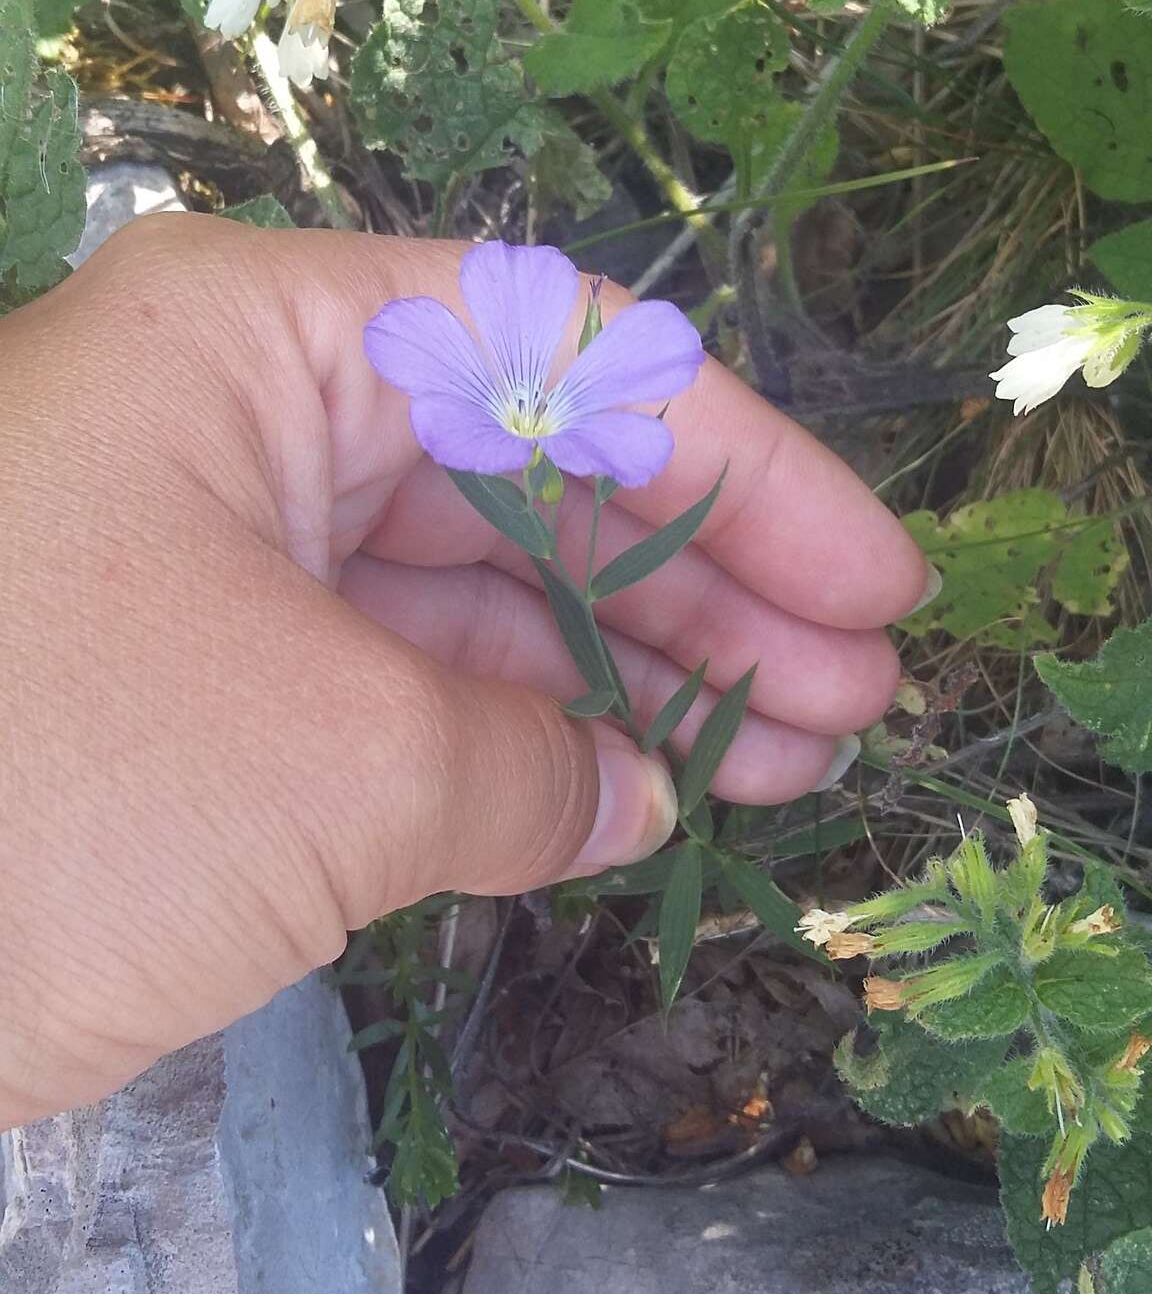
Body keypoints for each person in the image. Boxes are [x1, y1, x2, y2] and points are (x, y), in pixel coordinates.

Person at [0, 217, 933, 1131]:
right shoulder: (494, 436)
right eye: (523, 409)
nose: (527, 411)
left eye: (536, 410)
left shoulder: (563, 440)